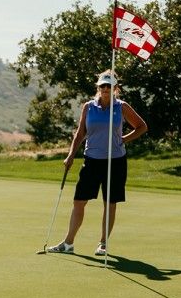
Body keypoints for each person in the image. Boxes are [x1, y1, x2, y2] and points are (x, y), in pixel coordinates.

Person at [47, 70, 147, 256]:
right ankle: (68, 243)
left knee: (109, 203)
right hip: (91, 160)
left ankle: (103, 243)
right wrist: (70, 155)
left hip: (115, 161)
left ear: (115, 88)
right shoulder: (88, 107)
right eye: (102, 85)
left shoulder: (121, 107)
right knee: (79, 202)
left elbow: (142, 126)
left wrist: (123, 139)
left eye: (109, 86)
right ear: (98, 87)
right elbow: (80, 133)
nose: (105, 89)